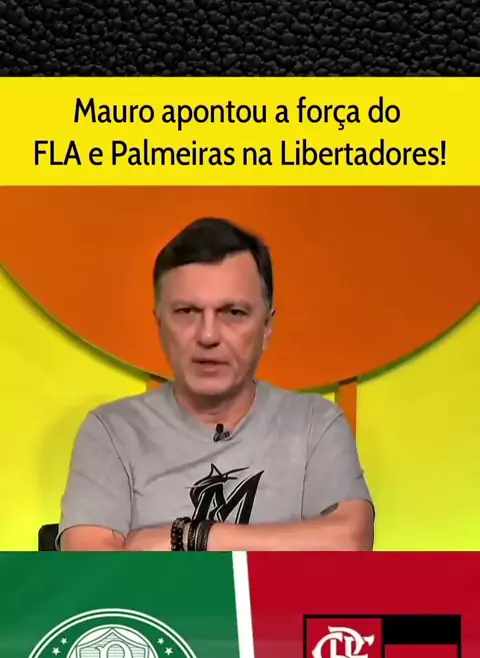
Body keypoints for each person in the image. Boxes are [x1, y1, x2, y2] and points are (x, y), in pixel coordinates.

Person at [59, 217, 374, 552]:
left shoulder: (315, 424)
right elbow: (91, 569)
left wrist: (184, 538)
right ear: (160, 325)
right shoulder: (112, 432)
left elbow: (351, 542)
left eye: (233, 313)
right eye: (186, 312)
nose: (208, 335)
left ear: (267, 327)